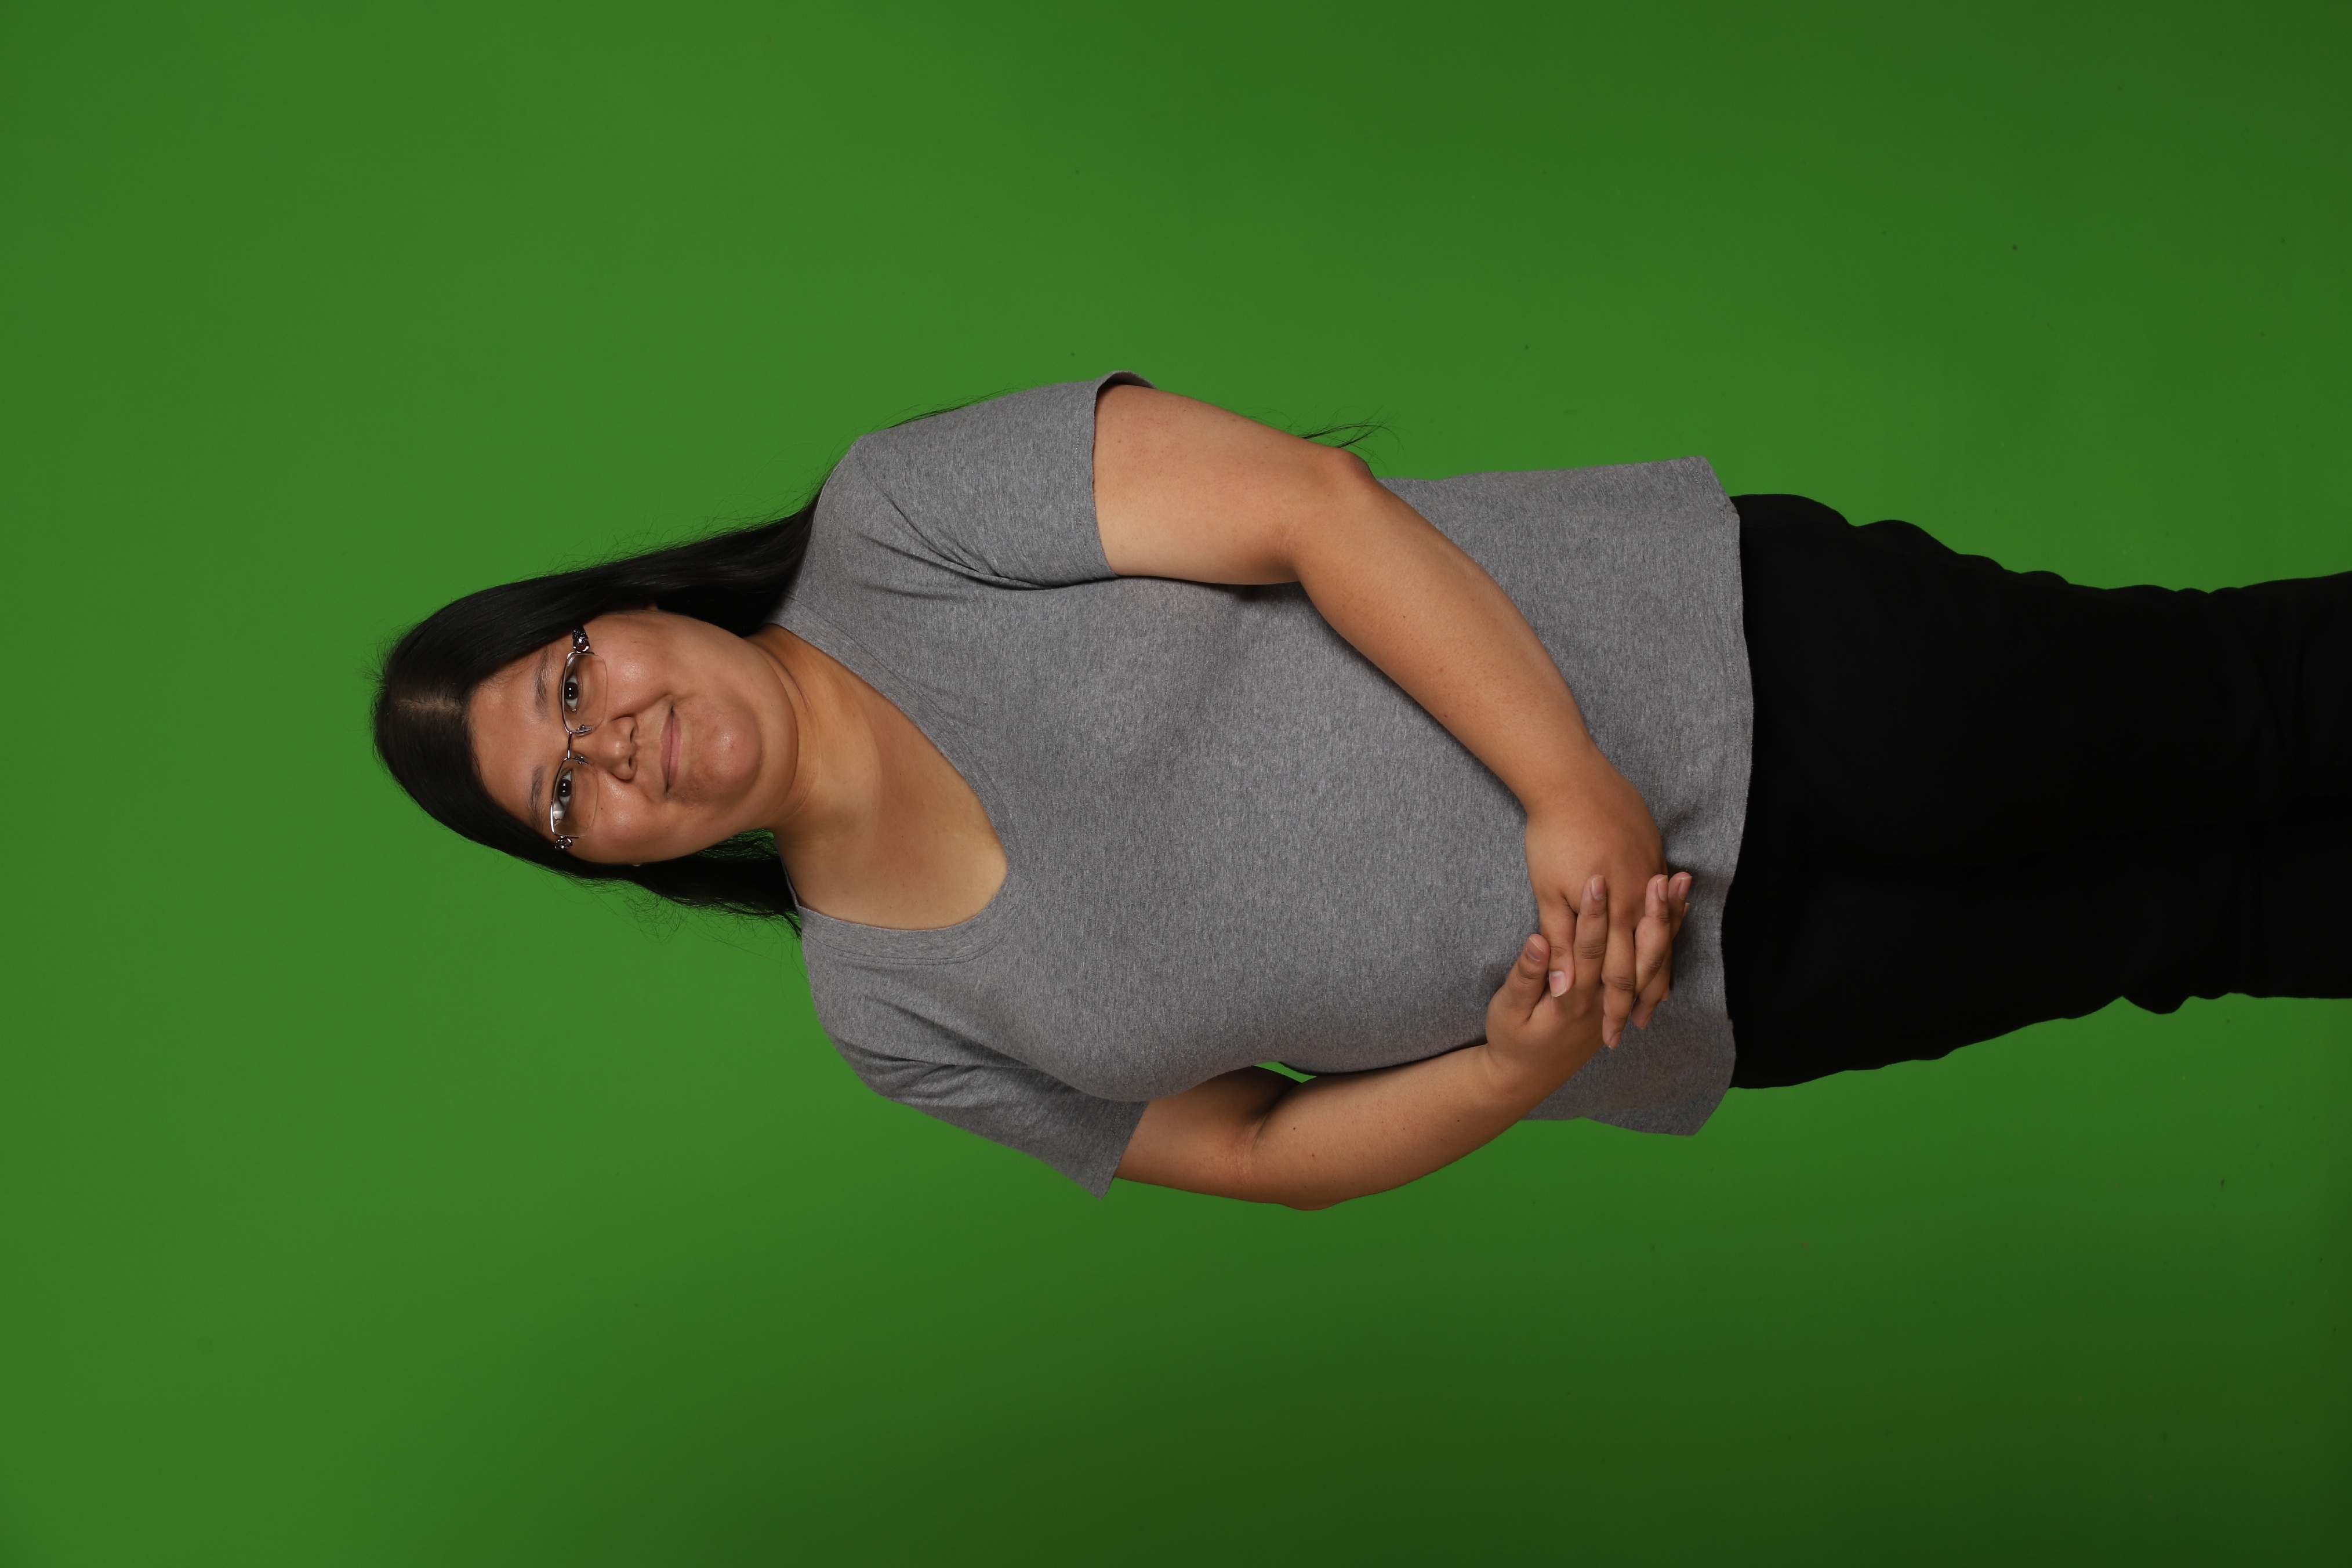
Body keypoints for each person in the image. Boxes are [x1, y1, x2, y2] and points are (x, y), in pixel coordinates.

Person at [374, 373, 2352, 1207]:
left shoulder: (898, 523)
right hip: (1696, 995)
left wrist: (1568, 787)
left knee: (2249, 718)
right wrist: (1519, 1065)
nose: (610, 746)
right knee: (2205, 925)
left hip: (1744, 659)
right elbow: (1252, 1150)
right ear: (601, 857)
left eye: (574, 682)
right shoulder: (885, 1014)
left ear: (623, 610)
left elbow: (1311, 509)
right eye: (562, 797)